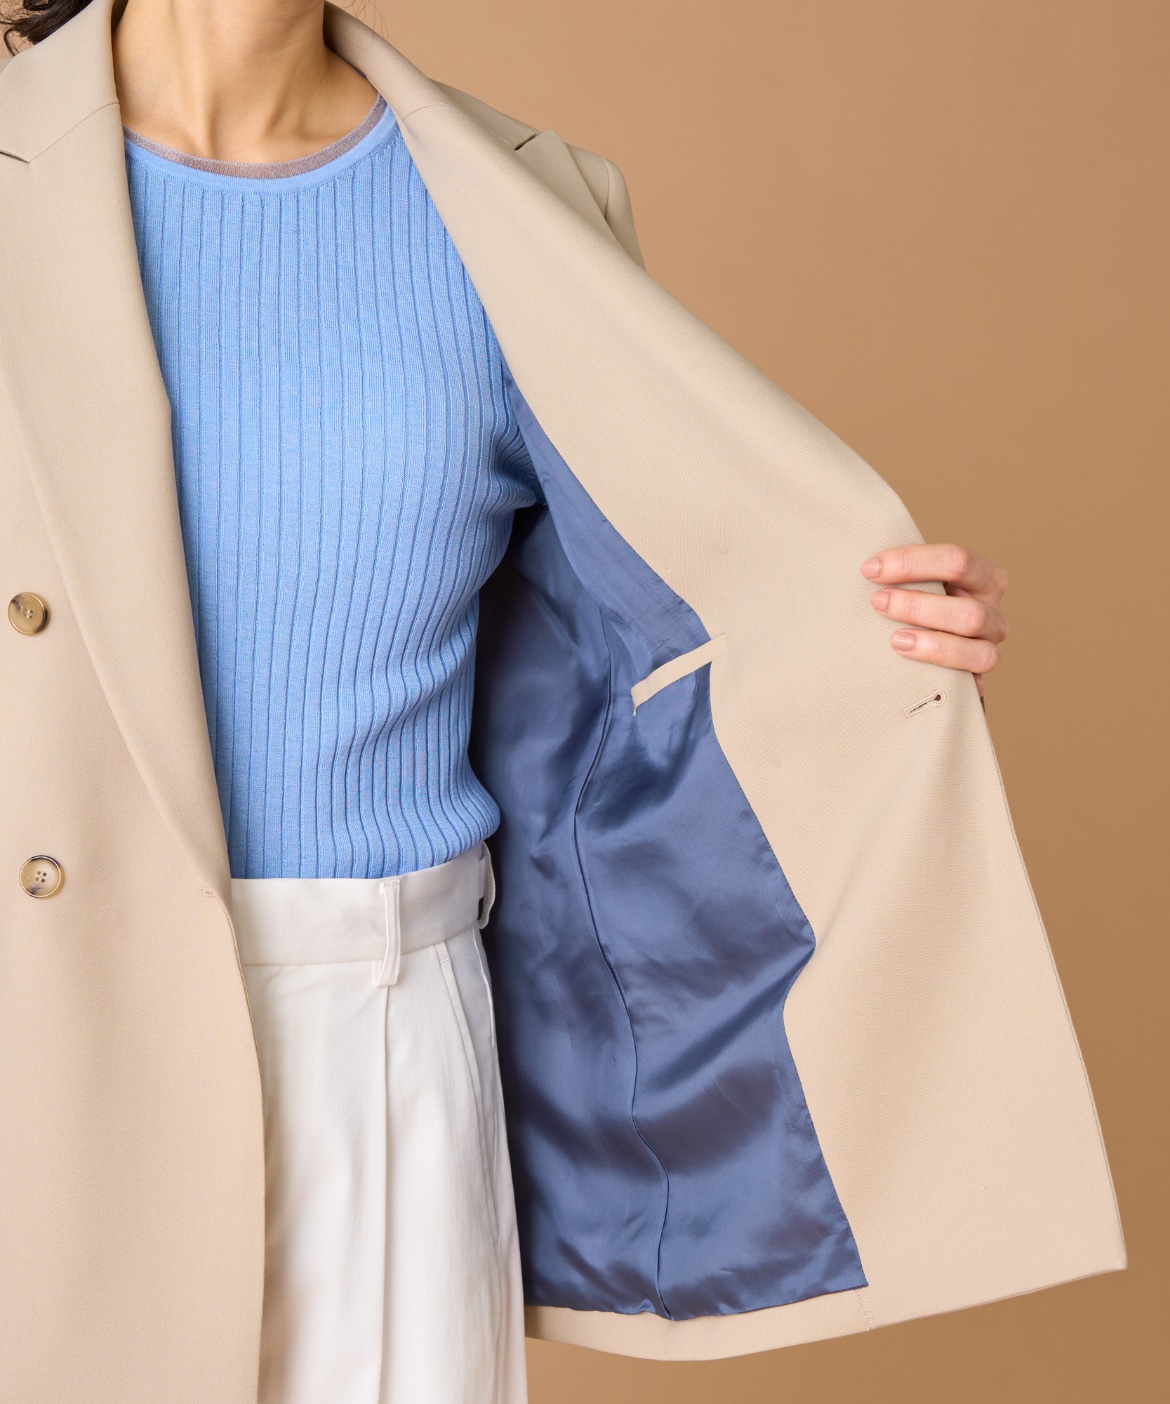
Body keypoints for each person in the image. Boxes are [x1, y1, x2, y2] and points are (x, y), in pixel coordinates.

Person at [0, 2, 1121, 1403]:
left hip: (389, 1031)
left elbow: (625, 627)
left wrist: (874, 637)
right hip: (50, 1022)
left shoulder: (525, 203)